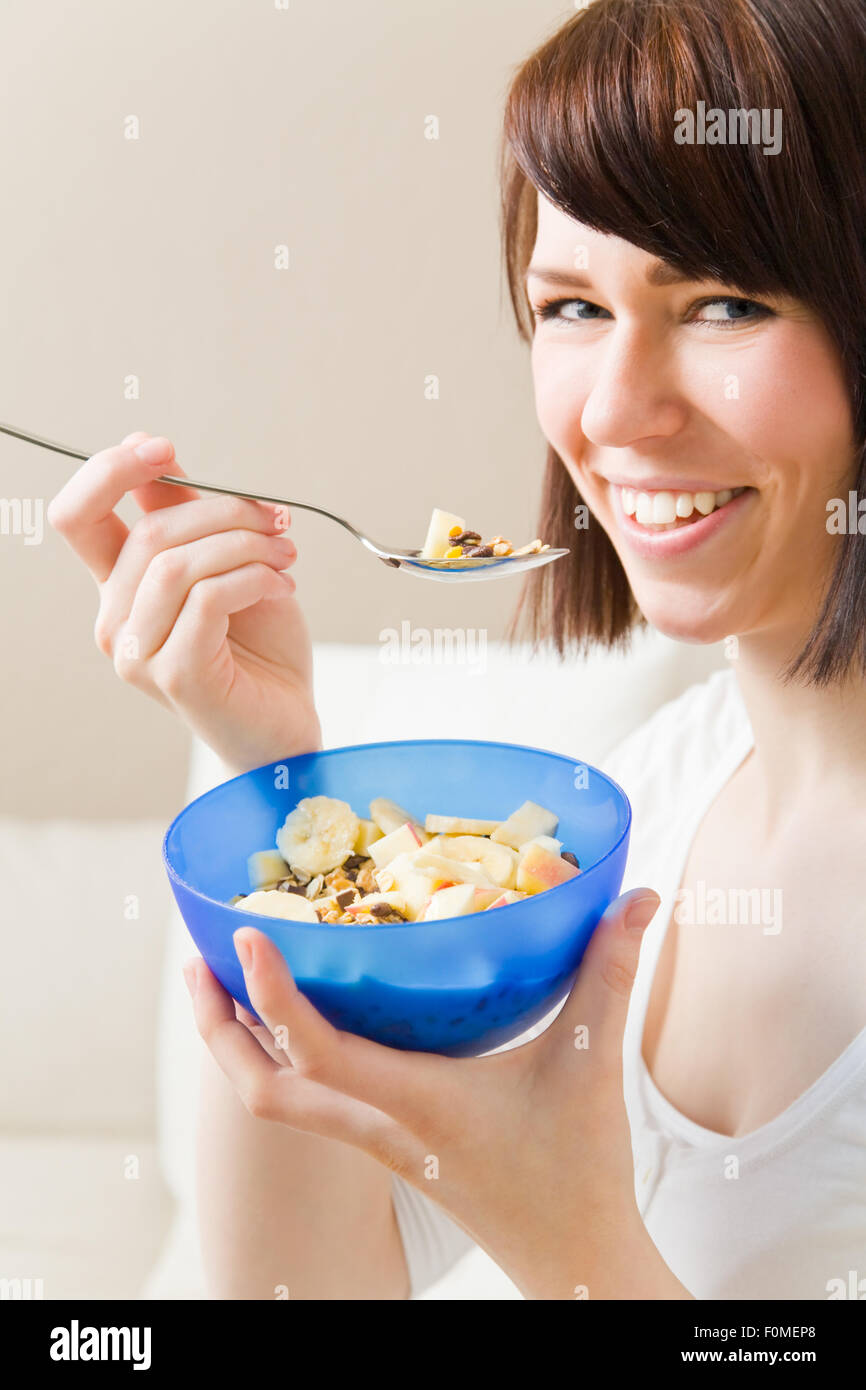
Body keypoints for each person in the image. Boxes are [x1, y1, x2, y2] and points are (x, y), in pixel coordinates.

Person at [48, 0, 866, 1299]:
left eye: (719, 302)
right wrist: (279, 779)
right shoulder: (650, 796)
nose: (610, 411)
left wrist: (567, 1238)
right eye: (572, 305)